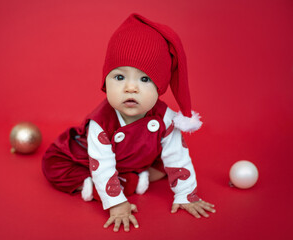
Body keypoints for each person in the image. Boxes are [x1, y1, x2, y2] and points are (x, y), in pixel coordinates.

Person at [42, 13, 215, 232]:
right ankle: (104, 185)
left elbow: (178, 157)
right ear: (105, 81)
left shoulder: (166, 119)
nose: (130, 88)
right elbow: (102, 166)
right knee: (54, 166)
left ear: (160, 87)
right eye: (120, 77)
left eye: (144, 79)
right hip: (90, 159)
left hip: (139, 158)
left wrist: (186, 195)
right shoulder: (101, 123)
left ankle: (131, 178)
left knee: (168, 162)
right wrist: (117, 204)